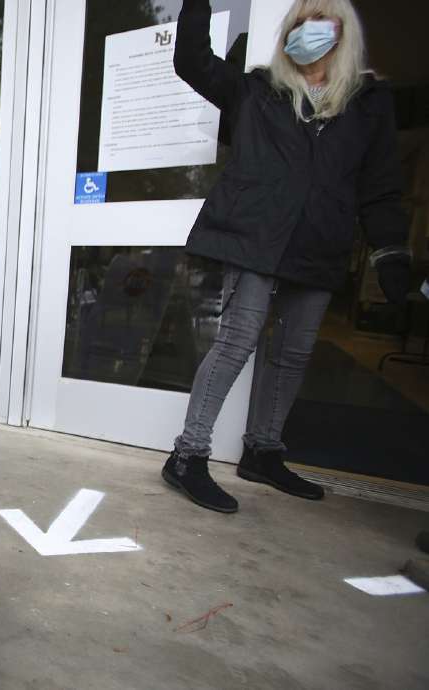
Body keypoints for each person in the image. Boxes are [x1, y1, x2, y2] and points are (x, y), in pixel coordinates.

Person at [162, 0, 412, 513]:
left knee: (293, 352)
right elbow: (191, 61)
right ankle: (187, 456)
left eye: (319, 21)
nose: (306, 31)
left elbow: (381, 185)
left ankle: (262, 451)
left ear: (343, 33)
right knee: (236, 341)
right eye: (298, 22)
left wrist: (389, 249)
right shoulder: (256, 91)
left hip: (321, 240)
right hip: (255, 235)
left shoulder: (368, 103)